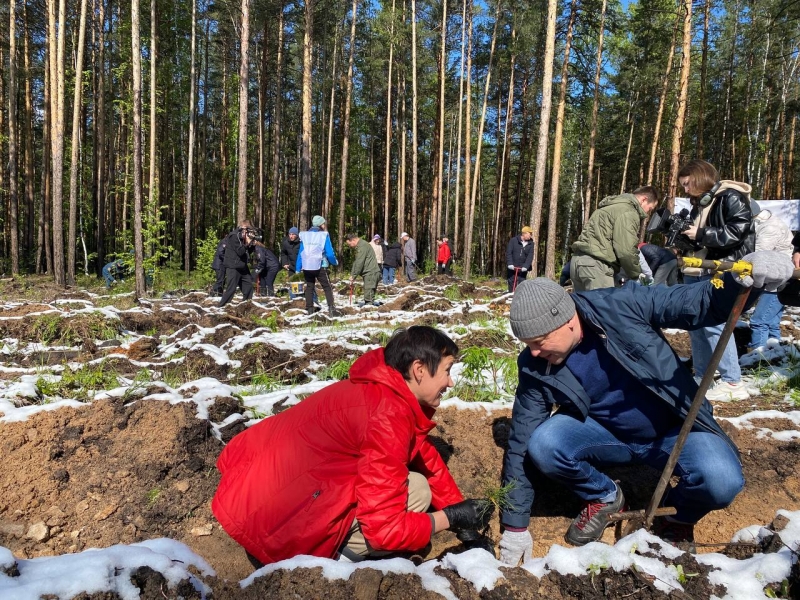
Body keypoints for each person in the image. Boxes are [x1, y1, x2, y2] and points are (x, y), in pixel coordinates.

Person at [497, 252, 794, 566]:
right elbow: (520, 441)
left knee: (721, 480)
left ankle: (676, 518)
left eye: (540, 341)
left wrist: (737, 282)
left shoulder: (620, 306)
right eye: (527, 343)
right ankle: (605, 496)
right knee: (543, 444)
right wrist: (516, 526)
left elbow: (696, 302)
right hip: (606, 434)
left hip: (674, 430)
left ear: (568, 320)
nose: (533, 351)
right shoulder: (534, 364)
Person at [212, 326, 494, 566]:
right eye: (447, 371)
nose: (450, 382)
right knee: (417, 491)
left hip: (248, 498)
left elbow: (424, 456)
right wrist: (450, 517)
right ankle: (336, 562)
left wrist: (466, 527)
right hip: (276, 534)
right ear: (419, 369)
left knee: (412, 481)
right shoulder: (387, 416)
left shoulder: (378, 388)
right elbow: (384, 530)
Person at [677, 159, 755, 401]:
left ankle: (733, 382)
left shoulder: (731, 196)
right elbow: (701, 239)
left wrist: (700, 234)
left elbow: (737, 231)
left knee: (714, 324)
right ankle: (703, 376)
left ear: (700, 178)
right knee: (696, 323)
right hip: (698, 269)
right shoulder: (698, 204)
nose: (686, 190)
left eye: (688, 184)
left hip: (722, 268)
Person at [570, 187, 659, 291]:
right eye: (650, 208)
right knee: (603, 306)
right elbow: (626, 250)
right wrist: (636, 275)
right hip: (597, 267)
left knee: (582, 306)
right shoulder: (628, 212)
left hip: (578, 262)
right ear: (644, 199)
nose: (648, 213)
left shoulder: (609, 207)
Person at [748, 201, 794, 352]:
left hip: (777, 280)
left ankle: (757, 359)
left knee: (759, 321)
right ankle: (776, 355)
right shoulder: (762, 223)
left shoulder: (769, 228)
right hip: (777, 278)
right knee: (771, 322)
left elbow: (758, 254)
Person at [296, 216, 340, 316]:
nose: (324, 225)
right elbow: (329, 253)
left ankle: (310, 309)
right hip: (320, 265)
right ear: (321, 225)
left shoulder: (305, 235)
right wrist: (334, 262)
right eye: (323, 223)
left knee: (310, 287)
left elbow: (300, 252)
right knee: (327, 287)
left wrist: (298, 268)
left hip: (307, 266)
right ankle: (331, 309)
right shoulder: (324, 235)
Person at [218, 220, 258, 307]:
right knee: (231, 288)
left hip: (242, 266)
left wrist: (252, 244)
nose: (249, 233)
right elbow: (240, 251)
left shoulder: (243, 238)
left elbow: (247, 252)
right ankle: (221, 306)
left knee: (249, 286)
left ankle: (246, 305)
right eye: (248, 231)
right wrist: (247, 242)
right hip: (233, 266)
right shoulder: (234, 236)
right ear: (244, 228)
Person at [346, 233, 382, 307]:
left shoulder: (362, 246)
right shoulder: (360, 246)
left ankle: (369, 311)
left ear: (353, 240)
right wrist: (352, 274)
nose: (350, 246)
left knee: (368, 294)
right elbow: (356, 262)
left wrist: (354, 276)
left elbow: (359, 262)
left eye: (349, 244)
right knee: (369, 293)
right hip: (370, 273)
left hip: (371, 273)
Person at [506, 226, 535, 292]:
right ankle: (511, 296)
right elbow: (509, 253)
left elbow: (530, 256)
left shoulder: (531, 244)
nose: (530, 236)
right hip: (512, 267)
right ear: (524, 233)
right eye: (529, 234)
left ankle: (520, 299)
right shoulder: (513, 241)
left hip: (522, 268)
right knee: (511, 282)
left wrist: (526, 266)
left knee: (522, 284)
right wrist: (510, 263)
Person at [280, 226, 301, 299]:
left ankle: (301, 297)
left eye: (293, 234)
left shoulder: (301, 243)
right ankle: (293, 298)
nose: (291, 236)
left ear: (297, 235)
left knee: (300, 283)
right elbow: (283, 253)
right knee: (293, 282)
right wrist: (284, 263)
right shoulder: (286, 243)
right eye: (290, 234)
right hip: (291, 266)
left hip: (300, 267)